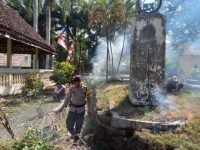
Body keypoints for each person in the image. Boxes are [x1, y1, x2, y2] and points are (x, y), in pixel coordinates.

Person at [62, 75, 87, 142]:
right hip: (72, 109)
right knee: (68, 124)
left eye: (76, 82)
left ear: (79, 81)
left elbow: (89, 97)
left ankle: (76, 137)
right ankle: (74, 134)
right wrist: (64, 106)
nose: (75, 84)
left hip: (81, 110)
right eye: (73, 83)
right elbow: (68, 97)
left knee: (79, 124)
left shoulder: (85, 88)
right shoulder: (72, 88)